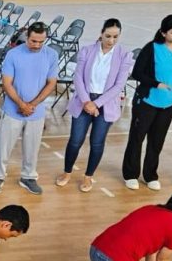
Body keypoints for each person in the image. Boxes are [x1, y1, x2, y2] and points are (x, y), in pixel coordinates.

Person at [56, 19, 134, 193]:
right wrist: (86, 102)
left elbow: (119, 85)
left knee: (97, 142)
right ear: (101, 32)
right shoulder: (87, 50)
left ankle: (88, 176)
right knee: (75, 140)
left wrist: (96, 104)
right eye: (108, 36)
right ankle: (67, 172)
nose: (111, 40)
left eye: (115, 37)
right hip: (84, 100)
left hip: (105, 104)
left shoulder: (125, 56)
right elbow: (78, 78)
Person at [0, 21, 58, 196]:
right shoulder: (13, 54)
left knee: (32, 147)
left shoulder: (51, 55)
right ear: (27, 37)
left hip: (36, 112)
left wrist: (32, 105)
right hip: (12, 110)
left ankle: (28, 177)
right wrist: (21, 104)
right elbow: (6, 83)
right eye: (34, 41)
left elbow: (51, 83)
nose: (37, 45)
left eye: (41, 41)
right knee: (4, 145)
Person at [122, 14, 172, 191]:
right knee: (137, 138)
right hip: (147, 101)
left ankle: (150, 175)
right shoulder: (152, 48)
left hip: (169, 102)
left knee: (157, 141)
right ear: (163, 32)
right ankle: (130, 174)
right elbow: (137, 73)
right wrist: (156, 83)